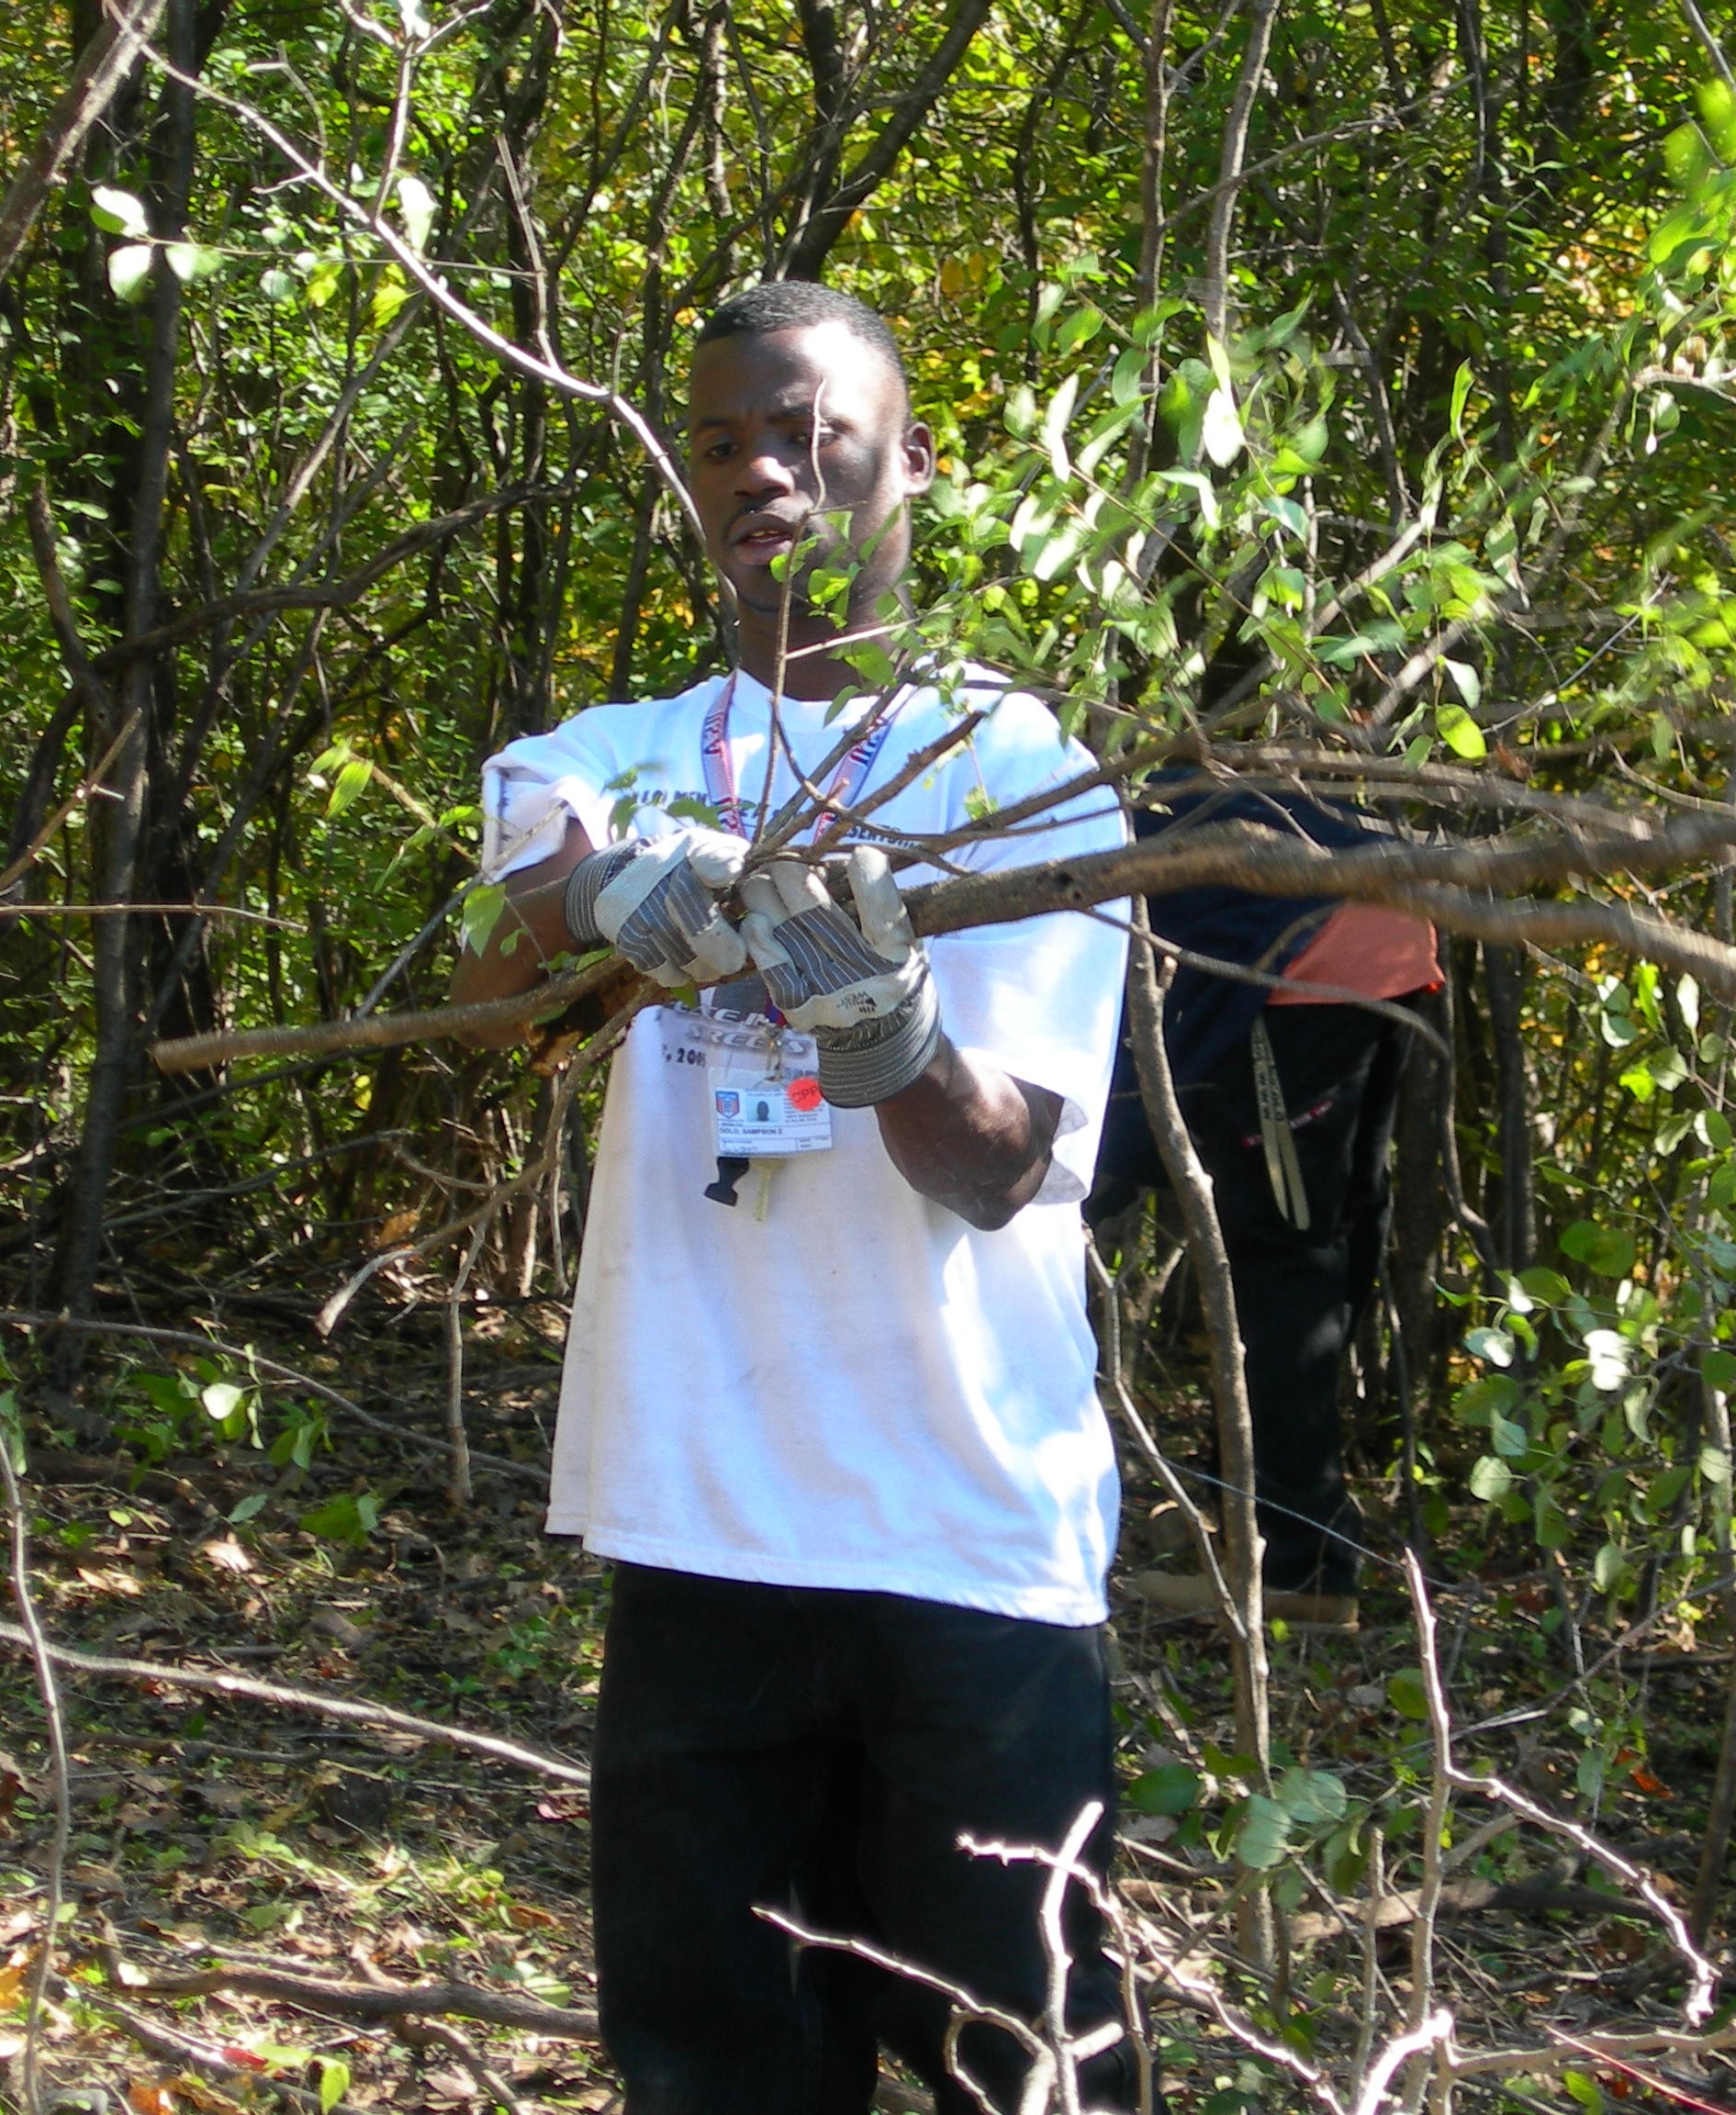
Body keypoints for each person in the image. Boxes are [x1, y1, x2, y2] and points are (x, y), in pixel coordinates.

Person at [447, 281, 1134, 2111]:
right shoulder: (622, 747)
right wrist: (597, 896)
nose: (762, 468)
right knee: (715, 2068)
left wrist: (888, 1025)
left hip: (964, 1536)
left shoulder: (1022, 778)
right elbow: (518, 886)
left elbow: (1005, 1170)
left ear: (910, 459)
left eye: (809, 427)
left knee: (1031, 2068)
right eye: (723, 439)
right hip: (701, 1520)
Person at [1088, 779, 1439, 1630]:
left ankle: (1297, 1562)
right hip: (1379, 933)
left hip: (1308, 955)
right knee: (1324, 1237)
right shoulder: (1090, 780)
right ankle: (1256, 1518)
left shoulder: (1033, 796)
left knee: (1284, 1259)